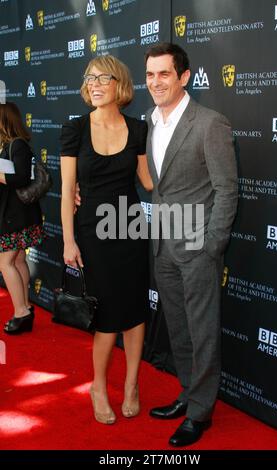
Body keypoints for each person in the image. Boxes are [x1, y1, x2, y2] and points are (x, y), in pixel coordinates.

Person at [144, 43, 238, 447]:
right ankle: (188, 392)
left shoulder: (209, 123)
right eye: (150, 74)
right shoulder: (150, 122)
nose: (155, 82)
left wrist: (212, 245)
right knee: (179, 328)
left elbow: (227, 189)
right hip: (162, 245)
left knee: (201, 330)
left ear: (184, 77)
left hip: (198, 248)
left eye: (164, 74)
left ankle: (200, 412)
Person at [60, 55, 153, 425]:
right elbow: (68, 191)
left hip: (129, 229)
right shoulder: (75, 129)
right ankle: (99, 386)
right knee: (107, 317)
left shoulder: (139, 129)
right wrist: (68, 241)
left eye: (103, 78)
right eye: (89, 78)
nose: (94, 84)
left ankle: (131, 384)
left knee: (134, 311)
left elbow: (148, 182)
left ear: (120, 85)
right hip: (92, 234)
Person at [0, 102, 46, 334]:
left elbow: (19, 178)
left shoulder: (17, 145)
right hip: (15, 215)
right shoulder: (10, 145)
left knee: (5, 262)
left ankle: (21, 312)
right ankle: (25, 306)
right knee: (17, 261)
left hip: (17, 217)